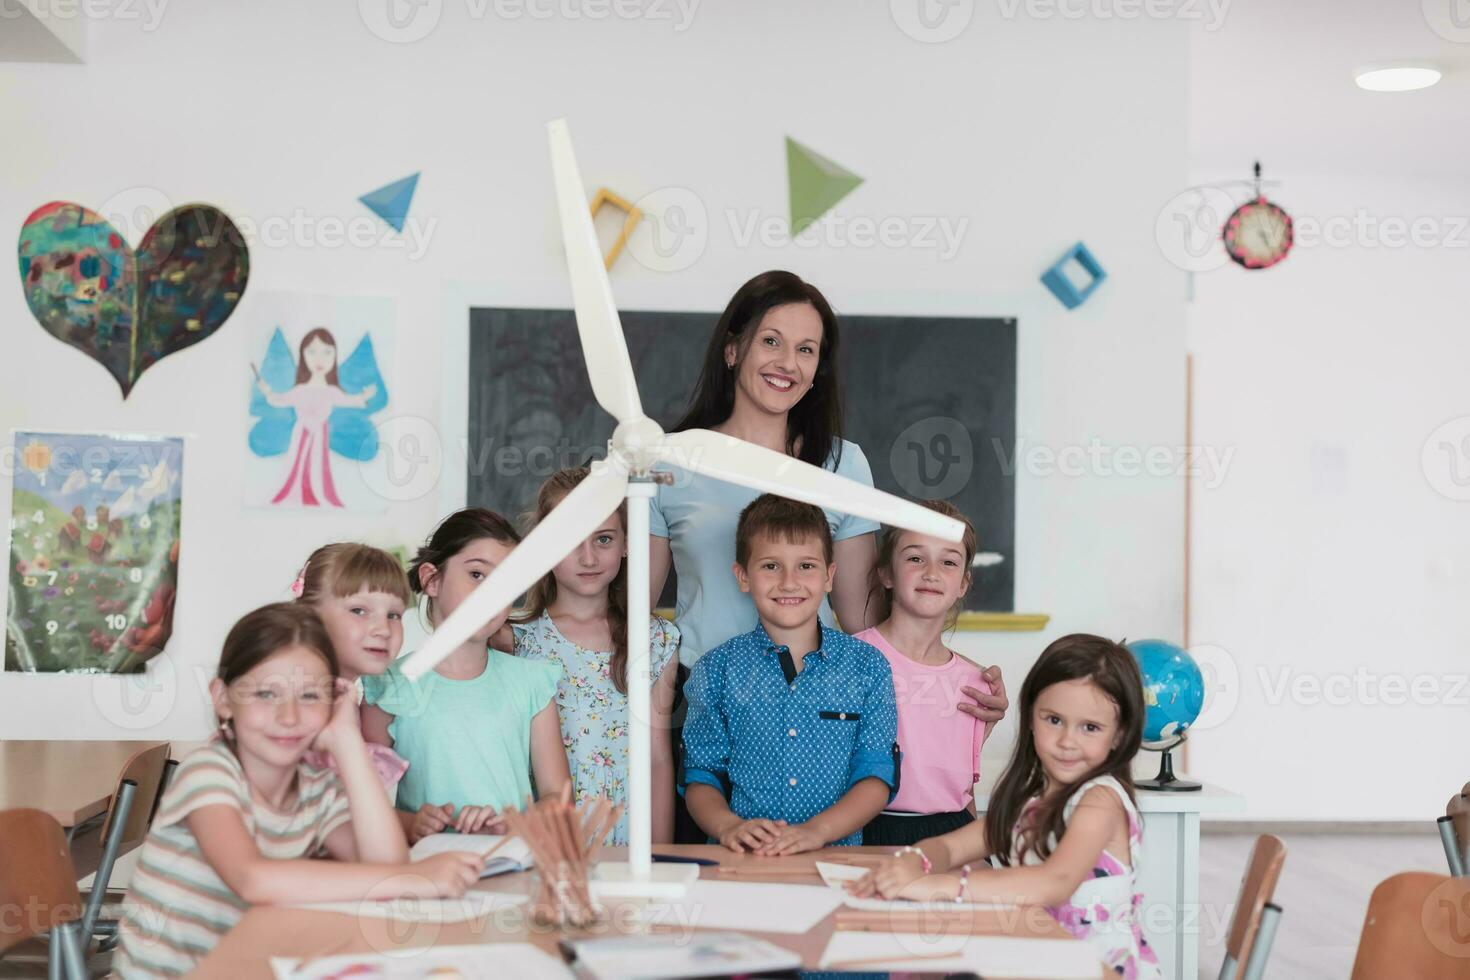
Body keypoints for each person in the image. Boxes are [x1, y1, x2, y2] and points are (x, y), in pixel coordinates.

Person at [113, 604, 481, 978]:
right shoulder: (210, 772)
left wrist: (347, 741)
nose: (288, 716)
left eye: (309, 697)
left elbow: (385, 862)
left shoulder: (316, 786)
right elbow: (253, 879)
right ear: (223, 698)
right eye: (266, 694)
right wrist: (411, 882)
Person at [850, 633, 1161, 978]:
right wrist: (914, 861)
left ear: (1119, 735)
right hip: (1038, 960)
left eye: (1090, 727)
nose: (1067, 741)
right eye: (1053, 719)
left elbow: (1054, 882)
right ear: (1030, 717)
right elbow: (951, 846)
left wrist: (934, 887)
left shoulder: (1101, 800)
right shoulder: (1028, 800)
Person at [682, 495, 897, 853]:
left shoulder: (867, 667)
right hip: (743, 864)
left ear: (829, 576)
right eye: (770, 566)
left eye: (806, 566)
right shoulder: (715, 669)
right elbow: (701, 775)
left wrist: (817, 831)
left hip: (836, 863)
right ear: (743, 576)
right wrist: (728, 826)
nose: (789, 582)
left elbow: (875, 776)